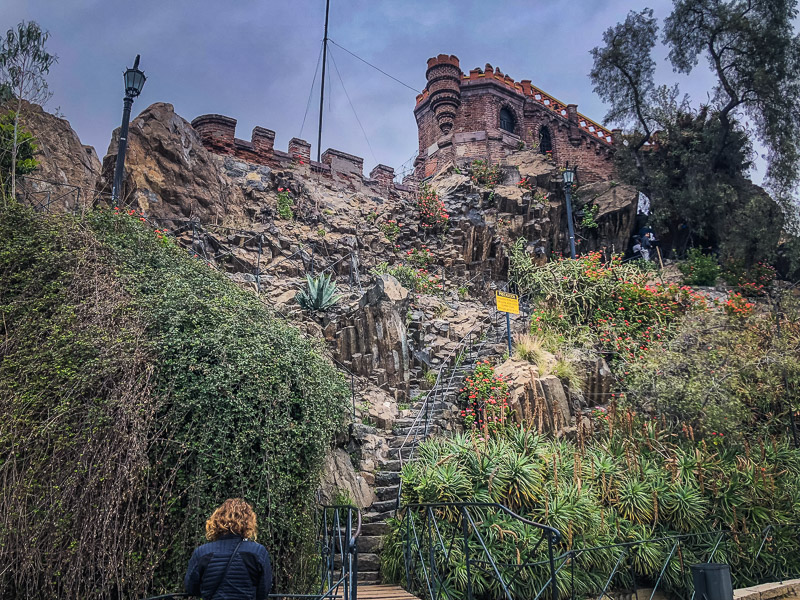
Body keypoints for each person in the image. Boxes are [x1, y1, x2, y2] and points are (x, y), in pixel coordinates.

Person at [184, 498, 272, 600]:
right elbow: (264, 590)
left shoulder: (202, 552)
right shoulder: (257, 552)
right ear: (249, 523)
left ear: (216, 521)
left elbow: (191, 587)